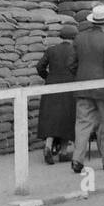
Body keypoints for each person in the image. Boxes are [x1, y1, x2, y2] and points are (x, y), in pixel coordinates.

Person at [69, 5, 104, 172]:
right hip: (103, 90)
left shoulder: (79, 38)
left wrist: (81, 78)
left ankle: (77, 160)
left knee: (82, 124)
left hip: (83, 88)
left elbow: (71, 64)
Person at [35, 23, 78, 164]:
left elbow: (40, 66)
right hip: (70, 86)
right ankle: (64, 152)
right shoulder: (76, 51)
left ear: (61, 37)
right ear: (74, 37)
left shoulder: (51, 50)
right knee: (67, 118)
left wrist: (48, 77)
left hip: (52, 86)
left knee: (52, 117)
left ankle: (48, 146)